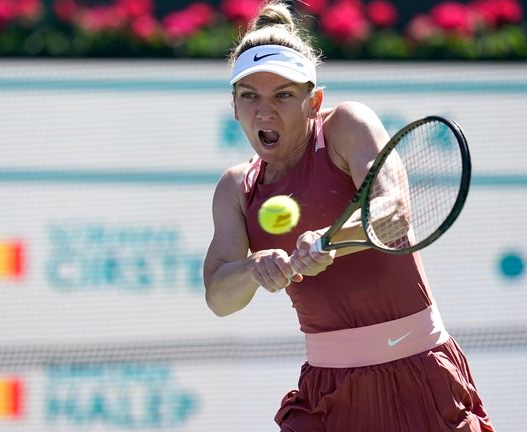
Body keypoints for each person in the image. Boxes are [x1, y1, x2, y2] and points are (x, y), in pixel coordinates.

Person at [203, 2, 495, 431]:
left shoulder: (345, 126)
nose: (265, 111)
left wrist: (326, 242)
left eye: (283, 95)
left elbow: (393, 214)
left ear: (313, 100)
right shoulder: (236, 188)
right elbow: (218, 297)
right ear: (233, 106)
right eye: (250, 96)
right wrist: (254, 268)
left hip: (419, 375)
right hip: (327, 394)